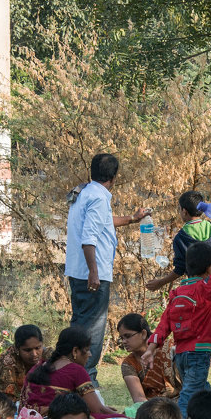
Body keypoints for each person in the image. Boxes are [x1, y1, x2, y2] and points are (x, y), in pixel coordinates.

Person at [141, 211, 211, 418]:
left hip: (181, 355)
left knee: (202, 392)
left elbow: (163, 325)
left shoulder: (177, 292)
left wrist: (151, 349)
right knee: (188, 398)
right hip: (198, 354)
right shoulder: (206, 289)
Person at [64, 152, 149, 382]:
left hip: (77, 271)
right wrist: (94, 272)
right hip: (92, 273)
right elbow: (89, 238)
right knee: (92, 330)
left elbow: (102, 221)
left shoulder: (85, 192)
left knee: (80, 326)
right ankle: (86, 379)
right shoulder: (99, 197)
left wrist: (132, 218)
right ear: (113, 177)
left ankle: (73, 377)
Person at [146, 190, 211, 379]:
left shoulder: (181, 237)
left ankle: (190, 362)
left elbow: (179, 268)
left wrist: (160, 282)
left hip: (195, 289)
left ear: (184, 211)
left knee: (194, 325)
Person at [23, 326, 123, 419]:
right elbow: (98, 410)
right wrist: (124, 417)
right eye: (87, 350)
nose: (90, 354)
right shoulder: (75, 370)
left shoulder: (37, 367)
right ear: (75, 351)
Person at [117, 313, 180, 404]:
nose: (124, 341)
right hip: (153, 407)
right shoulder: (129, 364)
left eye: (127, 336)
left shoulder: (169, 349)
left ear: (143, 334)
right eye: (122, 338)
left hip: (182, 402)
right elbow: (139, 399)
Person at [0, 324, 48, 402]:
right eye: (28, 350)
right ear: (17, 349)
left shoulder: (49, 355)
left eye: (37, 348)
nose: (34, 354)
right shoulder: (8, 363)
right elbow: (7, 398)